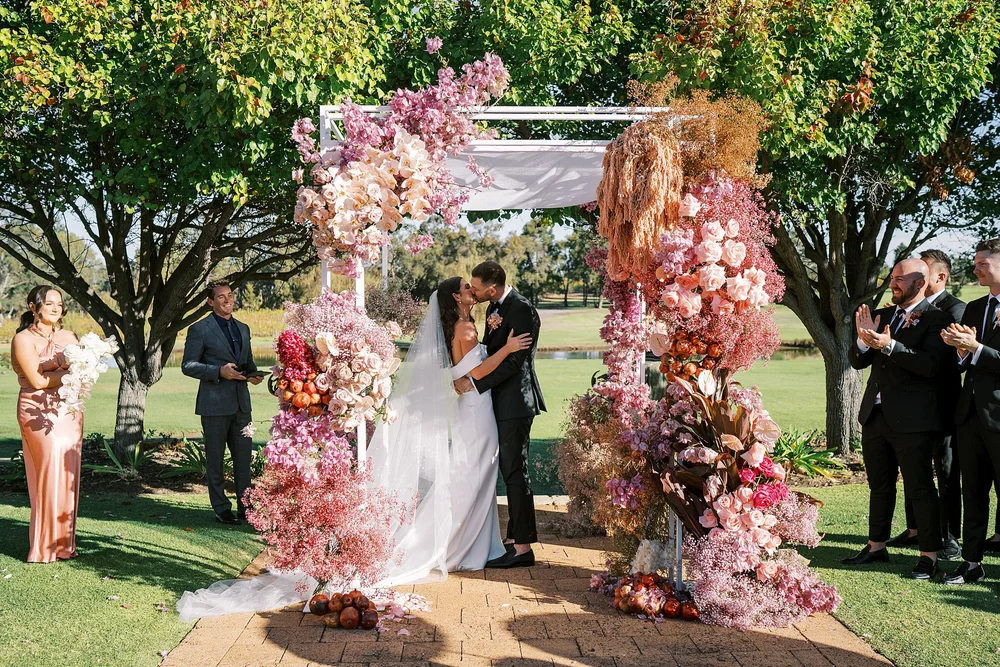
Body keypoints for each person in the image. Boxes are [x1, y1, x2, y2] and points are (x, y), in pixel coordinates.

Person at [842, 258, 949, 581]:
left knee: (920, 488)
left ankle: (928, 556)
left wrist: (890, 346)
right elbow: (857, 361)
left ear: (921, 282)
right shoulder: (884, 315)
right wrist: (864, 340)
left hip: (913, 421)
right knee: (879, 485)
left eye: (900, 279)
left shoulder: (937, 319)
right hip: (875, 416)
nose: (893, 284)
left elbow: (930, 366)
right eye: (892, 278)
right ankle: (876, 546)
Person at [454, 261, 546, 569]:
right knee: (508, 470)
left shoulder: (522, 310)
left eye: (476, 288)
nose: (474, 292)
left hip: (516, 403)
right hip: (498, 402)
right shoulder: (495, 307)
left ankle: (522, 548)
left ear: (491, 289)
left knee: (515, 472)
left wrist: (475, 382)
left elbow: (513, 363)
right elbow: (490, 352)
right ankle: (513, 537)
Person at [886, 250, 965, 560]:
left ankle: (950, 535)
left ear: (938, 277)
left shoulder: (953, 310)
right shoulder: (904, 309)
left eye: (924, 273)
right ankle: (916, 528)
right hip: (911, 408)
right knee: (914, 469)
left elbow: (948, 362)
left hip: (942, 404)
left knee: (945, 472)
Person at [940, 238, 1000, 584]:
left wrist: (975, 348)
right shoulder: (975, 308)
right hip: (970, 416)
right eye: (975, 263)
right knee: (973, 493)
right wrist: (960, 350)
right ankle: (972, 563)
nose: (975, 269)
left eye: (982, 264)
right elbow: (968, 363)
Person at [181, 281, 263, 525]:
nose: (227, 300)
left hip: (241, 405)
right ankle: (221, 509)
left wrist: (254, 375)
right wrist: (219, 371)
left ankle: (246, 508)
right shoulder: (200, 329)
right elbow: (188, 365)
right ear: (210, 301)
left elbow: (247, 361)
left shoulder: (244, 328)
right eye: (221, 297)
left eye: (230, 296)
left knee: (243, 460)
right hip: (214, 405)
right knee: (215, 460)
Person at [11, 285, 83, 563]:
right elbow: (38, 381)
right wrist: (68, 374)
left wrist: (72, 374)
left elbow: (83, 372)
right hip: (37, 411)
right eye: (49, 303)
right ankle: (43, 547)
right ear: (34, 307)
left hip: (69, 411)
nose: (56, 308)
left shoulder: (68, 336)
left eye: (60, 304)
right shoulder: (23, 339)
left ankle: (65, 546)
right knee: (47, 472)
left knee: (68, 474)